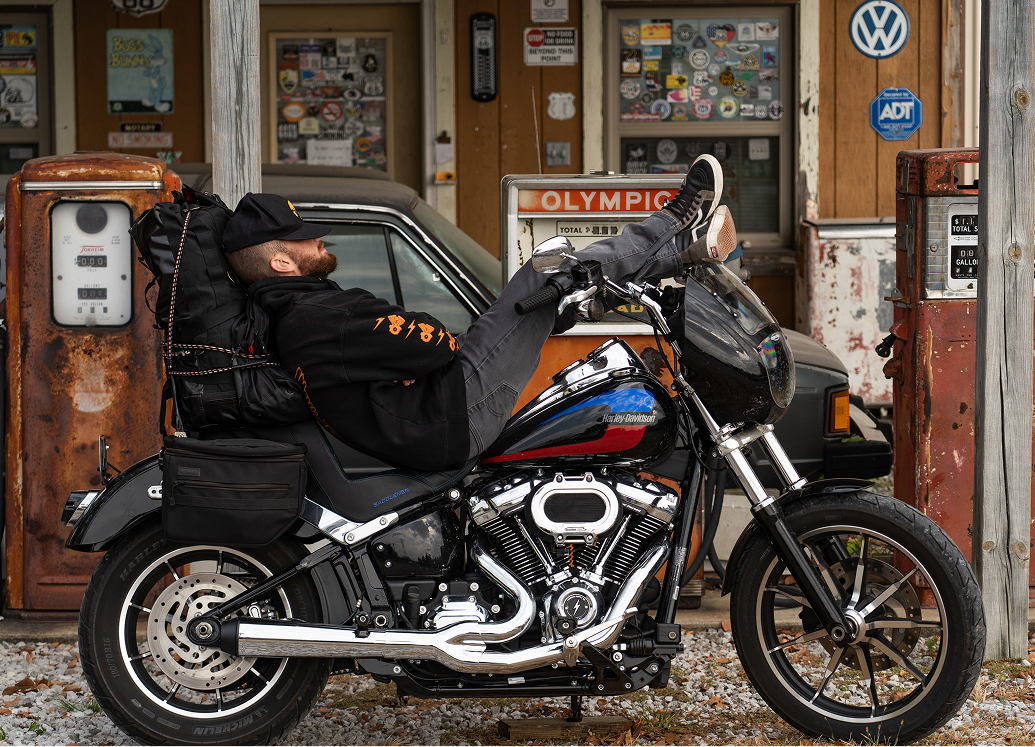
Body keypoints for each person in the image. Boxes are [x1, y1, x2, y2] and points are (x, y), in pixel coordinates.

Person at [222, 155, 737, 471]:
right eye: (301, 239)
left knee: (548, 302)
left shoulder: (307, 307)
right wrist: (421, 342)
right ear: (281, 260)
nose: (317, 239)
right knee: (542, 272)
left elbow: (406, 349)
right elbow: (432, 344)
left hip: (439, 412)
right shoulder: (313, 317)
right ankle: (674, 223)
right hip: (448, 413)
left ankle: (674, 255)